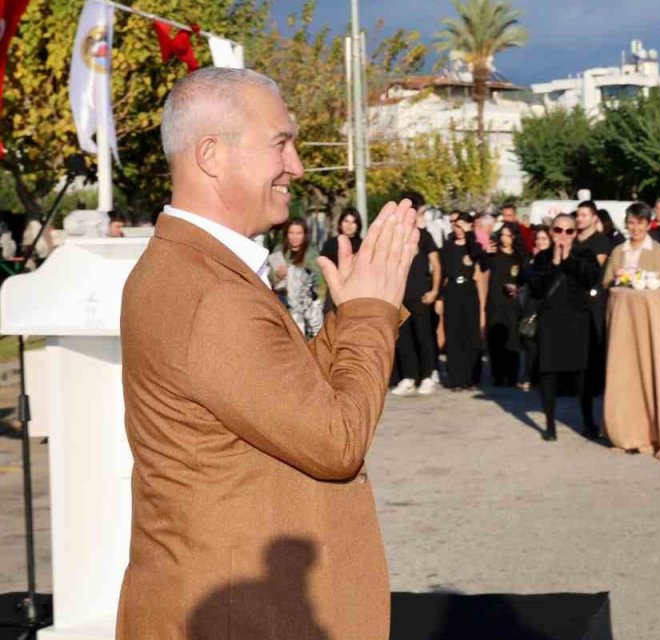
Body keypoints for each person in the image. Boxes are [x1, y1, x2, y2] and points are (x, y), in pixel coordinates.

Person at [118, 67, 418, 640]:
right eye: (281, 143)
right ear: (212, 154)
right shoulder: (210, 292)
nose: (298, 166)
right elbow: (336, 442)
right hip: (242, 619)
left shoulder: (196, 270)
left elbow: (288, 394)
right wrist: (370, 314)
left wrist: (346, 319)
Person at [529, 214, 603, 441]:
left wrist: (569, 259)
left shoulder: (585, 255)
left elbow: (592, 278)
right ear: (552, 232)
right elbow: (535, 289)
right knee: (548, 373)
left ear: (575, 233)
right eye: (559, 230)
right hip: (551, 323)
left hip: (578, 323)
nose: (563, 235)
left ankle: (588, 422)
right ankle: (550, 425)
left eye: (569, 231)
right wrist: (554, 263)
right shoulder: (542, 257)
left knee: (583, 375)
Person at [390, 194, 442, 396]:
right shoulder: (395, 237)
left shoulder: (425, 236)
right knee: (404, 339)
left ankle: (427, 376)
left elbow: (436, 265)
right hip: (400, 297)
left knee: (424, 337)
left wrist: (435, 291)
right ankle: (408, 377)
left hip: (422, 296)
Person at [441, 211, 486, 390]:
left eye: (460, 224)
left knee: (470, 334)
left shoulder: (473, 244)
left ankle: (471, 378)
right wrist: (439, 298)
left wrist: (468, 233)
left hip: (469, 290)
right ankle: (455, 379)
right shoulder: (447, 246)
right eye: (453, 224)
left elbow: (478, 255)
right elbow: (442, 273)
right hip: (452, 290)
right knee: (453, 334)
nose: (456, 227)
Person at [573, 201, 612, 397]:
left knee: (594, 341)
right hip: (573, 298)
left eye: (584, 215)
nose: (580, 219)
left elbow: (594, 270)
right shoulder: (572, 239)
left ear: (594, 217)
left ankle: (595, 384)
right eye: (578, 215)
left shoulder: (600, 241)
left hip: (594, 299)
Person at [268, 218, 326, 338]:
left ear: (305, 235)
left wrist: (294, 273)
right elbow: (270, 277)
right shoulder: (278, 249)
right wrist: (277, 275)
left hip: (306, 306)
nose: (295, 237)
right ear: (286, 234)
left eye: (299, 233)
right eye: (291, 233)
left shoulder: (312, 252)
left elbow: (317, 279)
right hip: (282, 304)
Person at [484, 225, 525, 386]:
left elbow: (525, 278)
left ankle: (512, 375)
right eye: (502, 235)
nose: (504, 238)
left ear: (514, 237)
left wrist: (517, 288)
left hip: (512, 304)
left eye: (508, 235)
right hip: (495, 302)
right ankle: (497, 375)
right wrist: (486, 253)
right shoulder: (494, 254)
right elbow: (482, 268)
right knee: (495, 340)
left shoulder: (519, 256)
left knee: (512, 339)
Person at [603, 202, 660, 287]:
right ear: (626, 224)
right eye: (631, 223)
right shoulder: (617, 251)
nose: (635, 228)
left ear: (648, 225)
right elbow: (606, 283)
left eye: (640, 223)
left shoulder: (658, 251)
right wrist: (617, 280)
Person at [518, 225, 553, 391]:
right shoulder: (530, 259)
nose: (540, 242)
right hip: (532, 303)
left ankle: (542, 377)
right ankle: (528, 376)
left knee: (545, 341)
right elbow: (523, 278)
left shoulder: (554, 258)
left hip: (548, 303)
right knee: (529, 340)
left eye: (544, 238)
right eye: (538, 238)